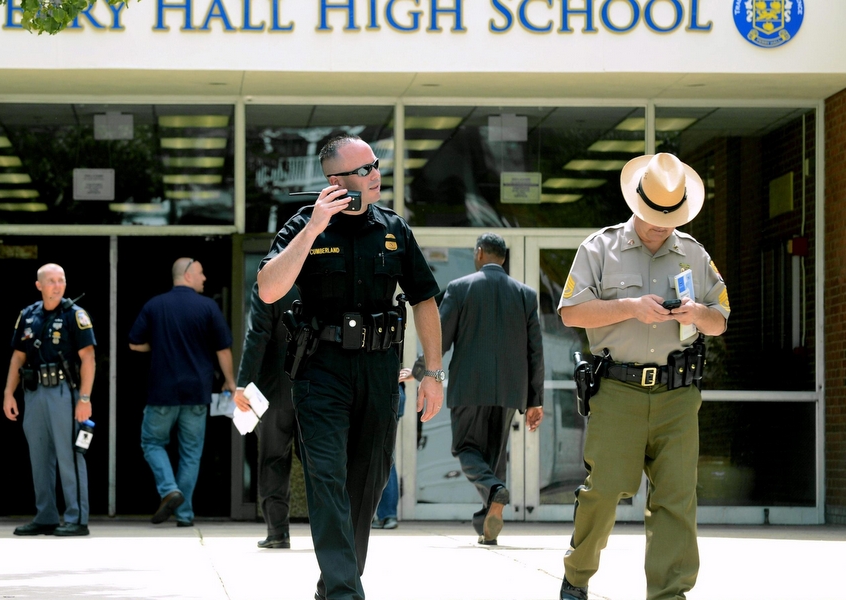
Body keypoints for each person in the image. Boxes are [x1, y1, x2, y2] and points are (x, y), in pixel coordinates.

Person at [256, 133, 446, 600]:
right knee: (326, 477)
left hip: (380, 371)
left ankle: (335, 584)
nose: (375, 174)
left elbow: (424, 299)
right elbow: (268, 288)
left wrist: (434, 374)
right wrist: (314, 227)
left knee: (366, 484)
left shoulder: (394, 228)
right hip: (321, 371)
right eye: (363, 169)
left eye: (375, 165)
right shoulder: (304, 225)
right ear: (335, 180)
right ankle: (345, 592)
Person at [557, 153, 729, 600]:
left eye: (669, 218)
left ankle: (670, 594)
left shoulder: (693, 253)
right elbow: (571, 311)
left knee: (676, 499)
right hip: (618, 391)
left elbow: (721, 320)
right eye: (653, 216)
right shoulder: (600, 248)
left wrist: (698, 313)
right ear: (636, 202)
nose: (660, 225)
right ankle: (577, 576)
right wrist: (630, 308)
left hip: (677, 395)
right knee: (604, 489)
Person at [439, 232, 545, 545]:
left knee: (466, 449)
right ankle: (485, 525)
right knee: (495, 457)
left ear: (480, 253)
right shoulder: (525, 294)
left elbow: (440, 339)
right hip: (509, 391)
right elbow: (535, 351)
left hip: (469, 387)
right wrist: (535, 400)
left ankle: (494, 491)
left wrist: (421, 371)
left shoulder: (460, 288)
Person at [129, 257, 236, 527]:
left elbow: (134, 344)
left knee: (152, 443)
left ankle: (169, 490)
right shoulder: (208, 307)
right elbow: (222, 349)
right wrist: (230, 381)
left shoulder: (155, 305)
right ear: (187, 275)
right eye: (201, 273)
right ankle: (185, 514)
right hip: (197, 393)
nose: (204, 278)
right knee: (191, 453)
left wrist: (159, 347)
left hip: (161, 392)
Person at [3, 264, 96, 537]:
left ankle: (77, 518)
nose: (57, 286)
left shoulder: (74, 315)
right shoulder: (28, 315)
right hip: (33, 392)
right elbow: (18, 357)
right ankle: (45, 516)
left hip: (63, 393)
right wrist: (9, 393)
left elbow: (88, 358)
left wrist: (85, 398)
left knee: (70, 454)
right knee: (39, 456)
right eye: (51, 281)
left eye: (61, 280)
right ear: (39, 286)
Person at [232, 282, 301, 549]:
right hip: (317, 388)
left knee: (273, 458)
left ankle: (278, 532)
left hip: (274, 389)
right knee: (319, 461)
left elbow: (257, 335)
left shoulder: (270, 283)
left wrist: (243, 382)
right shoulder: (319, 277)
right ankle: (329, 531)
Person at [370, 369, 410, 531]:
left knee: (369, 456)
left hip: (378, 390)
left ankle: (380, 514)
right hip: (396, 391)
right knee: (387, 455)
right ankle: (388, 515)